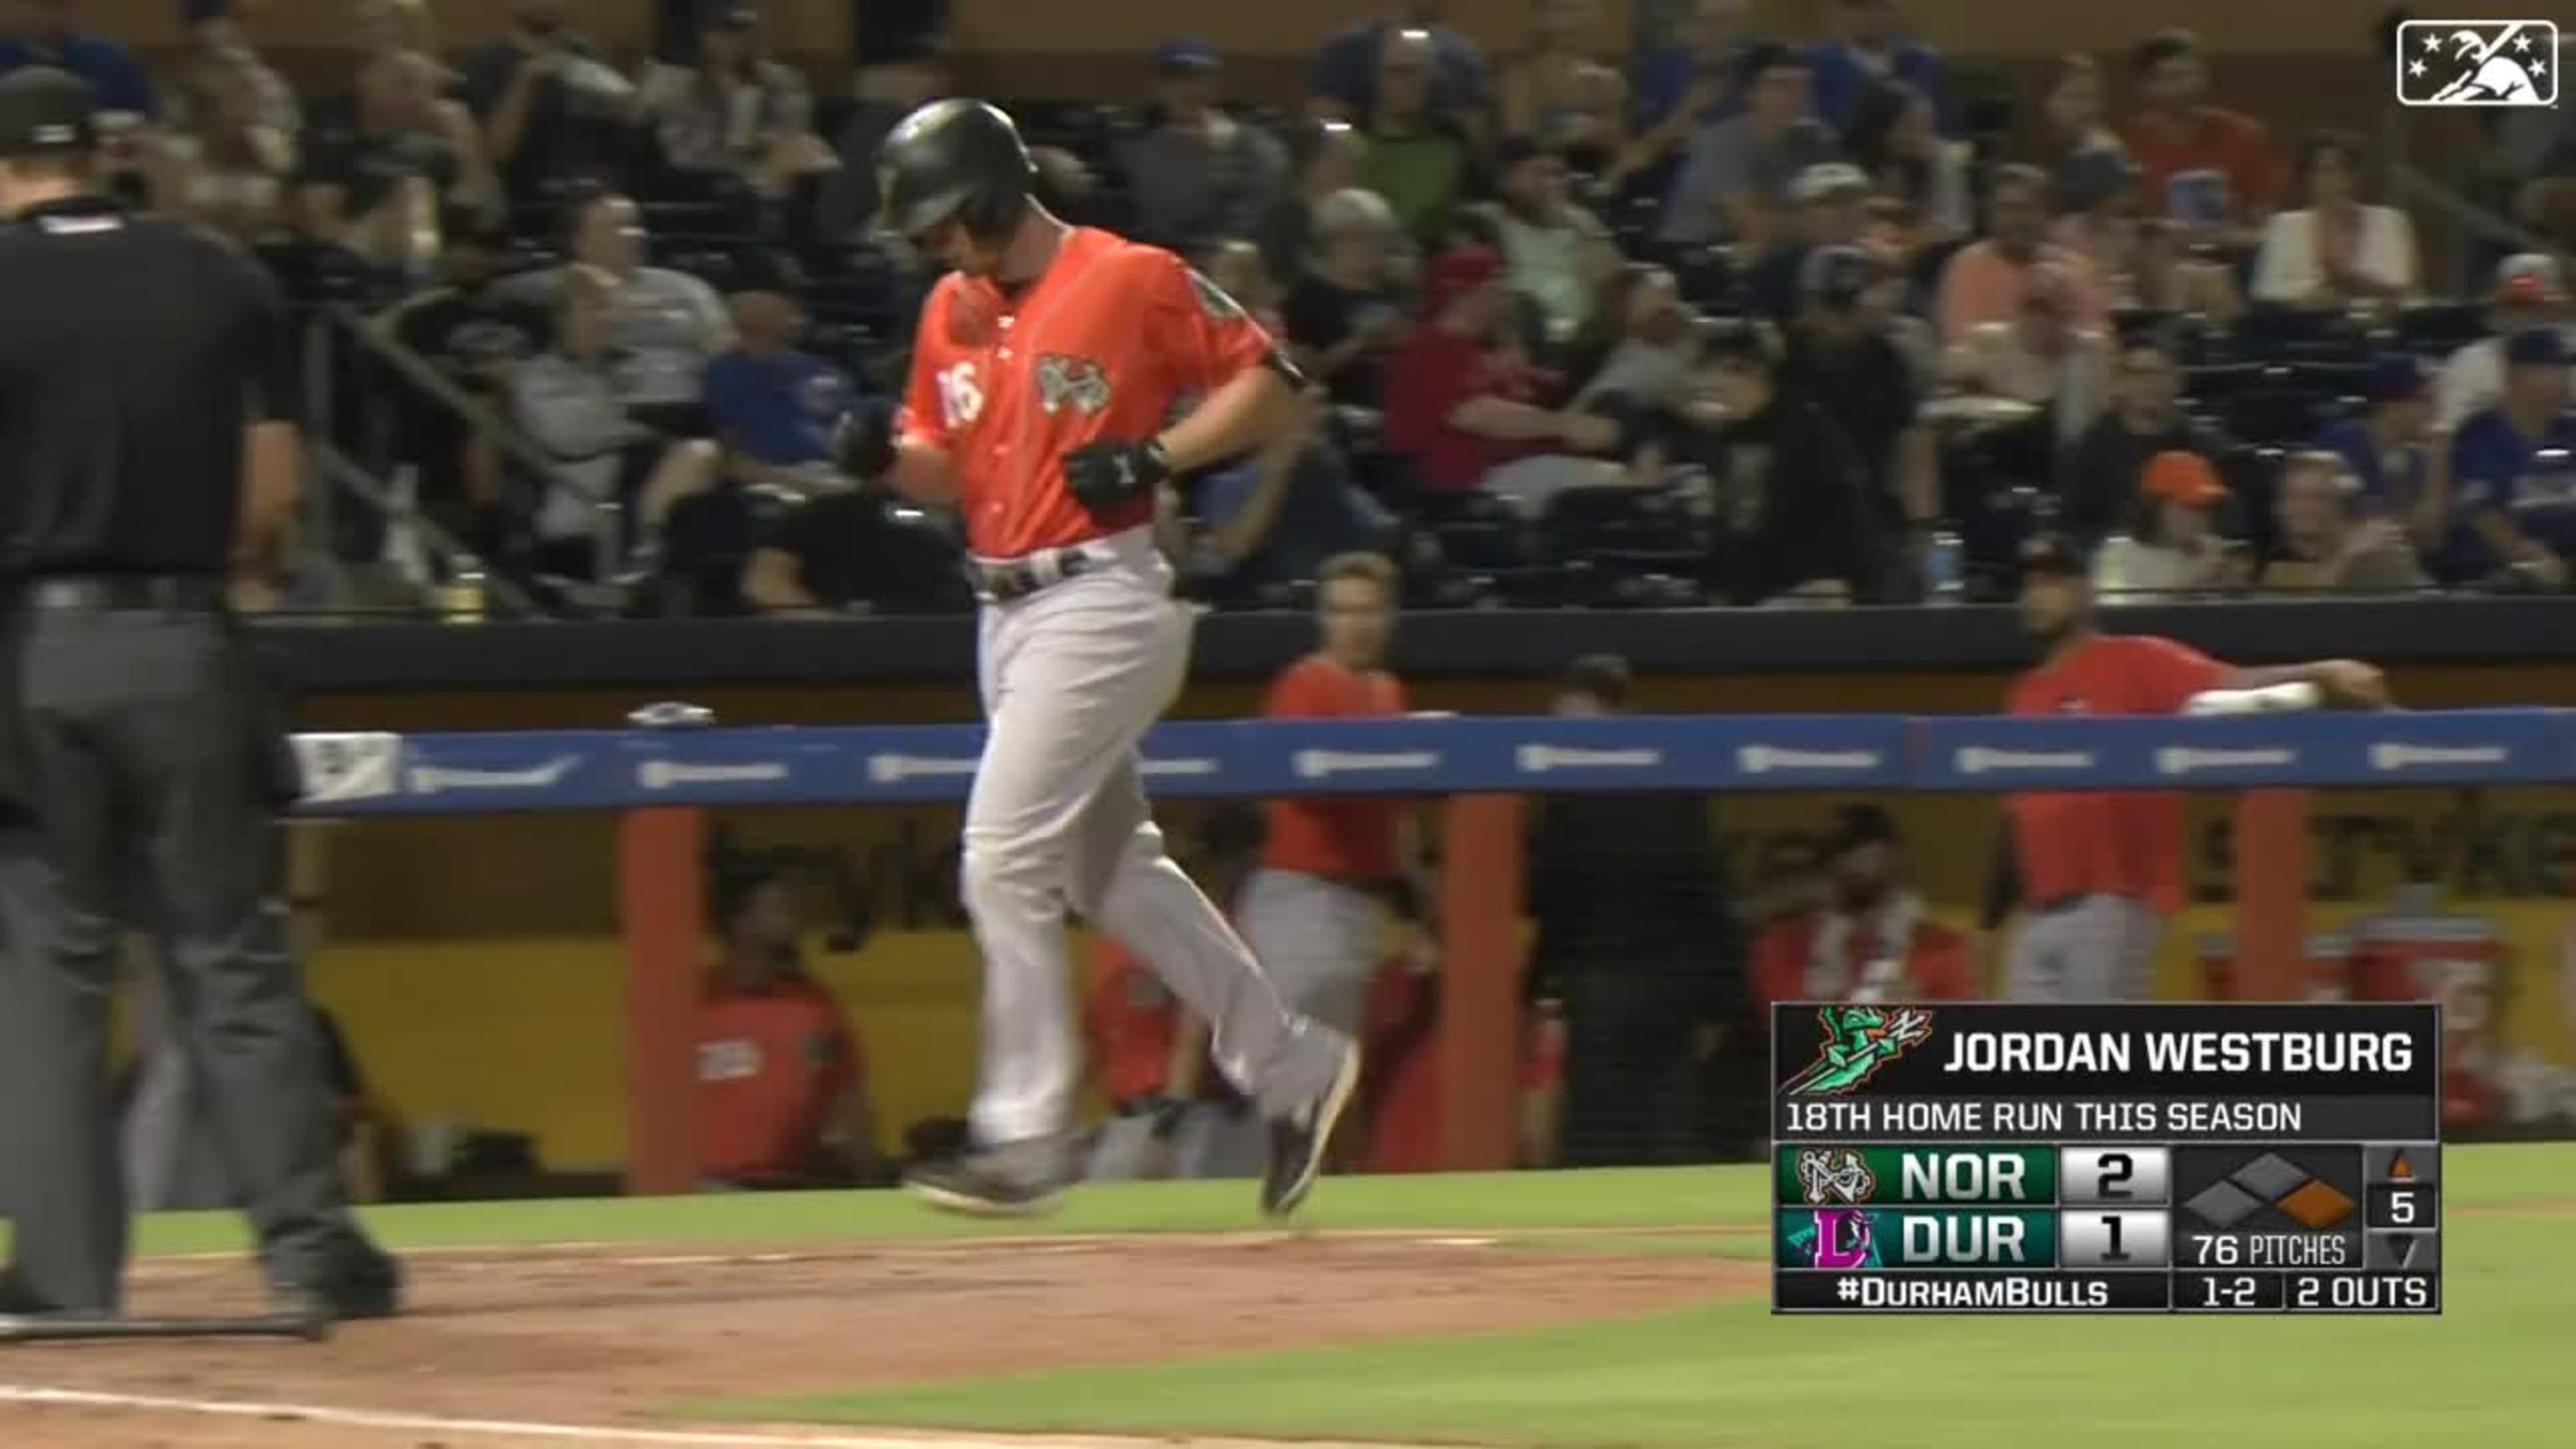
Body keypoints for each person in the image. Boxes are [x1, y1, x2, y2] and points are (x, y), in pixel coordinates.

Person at [835, 98, 1360, 1219]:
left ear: (990, 195)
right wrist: (884, 460)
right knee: (1105, 869)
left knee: (1000, 857)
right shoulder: (951, 308)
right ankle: (1292, 1062)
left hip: (1103, 597)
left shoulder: (1130, 275)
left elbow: (1271, 380)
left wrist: (1161, 455)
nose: (935, 245)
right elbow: (951, 465)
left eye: (943, 222)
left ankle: (1023, 1138)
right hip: (1003, 611)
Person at [0, 66, 397, 1326]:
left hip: (30, 655)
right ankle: (306, 1245)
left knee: (50, 971)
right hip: (183, 641)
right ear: (108, 156)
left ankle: (64, 1276)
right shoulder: (216, 272)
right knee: (226, 951)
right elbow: (272, 497)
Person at [1978, 532, 2387, 1000]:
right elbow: (2017, 816)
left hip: (2112, 899)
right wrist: (1991, 922)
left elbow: (2232, 684)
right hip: (2038, 909)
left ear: (2085, 591)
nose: (2035, 597)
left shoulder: (2135, 658)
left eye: (2051, 581)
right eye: (2028, 584)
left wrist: (2321, 670)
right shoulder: (2024, 693)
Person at [1523, 654, 1736, 1166]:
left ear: (1614, 709)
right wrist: (1718, 1001)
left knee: (1615, 1138)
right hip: (1648, 988)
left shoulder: (1583, 792)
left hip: (1619, 989)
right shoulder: (1674, 779)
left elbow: (1704, 894)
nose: (1568, 733)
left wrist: (1537, 987)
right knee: (1656, 1131)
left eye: (1576, 717)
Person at [1241, 553, 1433, 1041]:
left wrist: (1422, 914)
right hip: (1303, 895)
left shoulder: (1388, 691)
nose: (1355, 624)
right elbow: (1285, 789)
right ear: (1323, 618)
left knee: (1334, 1074)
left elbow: (1400, 818)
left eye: (1367, 611)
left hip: (1363, 903)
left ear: (1388, 618)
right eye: (1342, 611)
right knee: (1302, 1066)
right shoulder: (1303, 684)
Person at [1083, 802, 1270, 1182]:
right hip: (1134, 1117)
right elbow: (1092, 1038)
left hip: (1200, 1119)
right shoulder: (1114, 938)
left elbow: (1194, 1030)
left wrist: (1171, 1116)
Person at [697, 868, 886, 1189]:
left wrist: (873, 1184)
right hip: (709, 1190)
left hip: (797, 1186)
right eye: (778, 908)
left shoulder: (814, 1002)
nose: (792, 921)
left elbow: (847, 1099)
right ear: (740, 922)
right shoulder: (695, 1002)